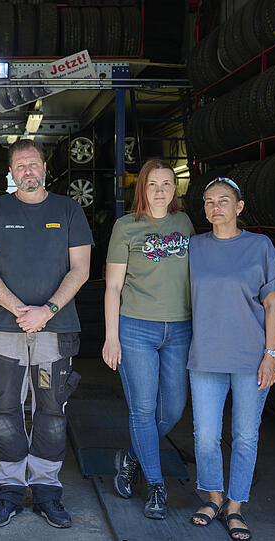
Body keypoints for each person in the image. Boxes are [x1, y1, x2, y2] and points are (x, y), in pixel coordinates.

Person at [0, 139, 92, 529]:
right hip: (6, 331)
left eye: (33, 164)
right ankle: (8, 492)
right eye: (19, 165)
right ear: (11, 172)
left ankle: (46, 491)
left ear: (44, 168)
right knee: (6, 412)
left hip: (54, 333)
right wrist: (20, 310)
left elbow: (81, 269)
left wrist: (47, 311)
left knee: (52, 413)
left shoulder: (69, 209)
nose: (27, 171)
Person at [188, 178, 275, 541]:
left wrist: (271, 356)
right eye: (210, 202)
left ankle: (235, 507)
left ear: (239, 207)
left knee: (245, 436)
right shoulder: (194, 247)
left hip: (251, 358)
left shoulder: (259, 245)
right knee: (205, 437)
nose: (216, 208)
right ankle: (213, 498)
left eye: (224, 201)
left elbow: (273, 304)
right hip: (205, 357)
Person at [102, 158, 194, 519]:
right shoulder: (126, 227)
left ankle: (131, 456)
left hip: (180, 329)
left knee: (171, 409)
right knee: (142, 409)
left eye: (167, 184)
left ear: (175, 188)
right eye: (153, 184)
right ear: (142, 187)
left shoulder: (185, 223)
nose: (160, 191)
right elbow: (112, 286)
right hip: (136, 328)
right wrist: (111, 337)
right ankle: (156, 486)